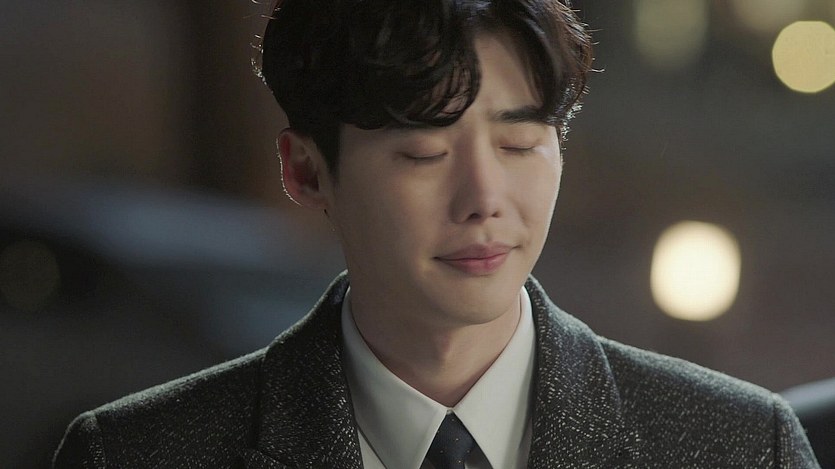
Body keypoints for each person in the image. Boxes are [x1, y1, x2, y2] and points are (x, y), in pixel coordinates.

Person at [54, 0, 820, 467]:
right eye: (423, 153)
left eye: (519, 144)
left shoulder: (738, 444)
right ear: (306, 170)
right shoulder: (135, 453)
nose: (484, 199)